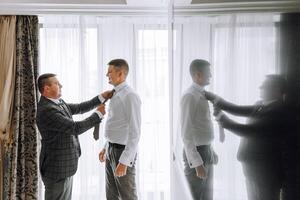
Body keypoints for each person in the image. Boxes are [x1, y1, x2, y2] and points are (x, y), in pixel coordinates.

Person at [206, 74, 296, 200]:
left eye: (265, 85)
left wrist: (222, 119)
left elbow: (249, 131)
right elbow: (236, 109)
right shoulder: (260, 105)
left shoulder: (280, 111)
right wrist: (212, 97)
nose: (260, 87)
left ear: (277, 88)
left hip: (267, 173)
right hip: (252, 169)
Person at [37, 73, 113, 200]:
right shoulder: (47, 109)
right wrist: (98, 115)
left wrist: (101, 97)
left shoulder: (57, 103)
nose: (61, 85)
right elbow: (75, 128)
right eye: (56, 83)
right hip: (56, 169)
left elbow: (79, 108)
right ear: (46, 89)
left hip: (64, 167)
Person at [98, 59, 141, 200]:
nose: (106, 74)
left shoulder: (130, 96)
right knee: (111, 195)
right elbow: (116, 125)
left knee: (128, 196)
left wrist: (124, 161)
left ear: (121, 73)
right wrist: (106, 146)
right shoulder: (115, 94)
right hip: (111, 149)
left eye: (110, 72)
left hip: (123, 152)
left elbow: (135, 132)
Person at [181, 59, 217, 200]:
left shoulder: (202, 94)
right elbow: (186, 133)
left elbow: (201, 127)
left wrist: (211, 150)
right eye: (208, 73)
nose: (211, 76)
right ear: (198, 75)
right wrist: (197, 163)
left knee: (207, 197)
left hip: (206, 151)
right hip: (197, 153)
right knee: (194, 196)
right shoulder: (189, 96)